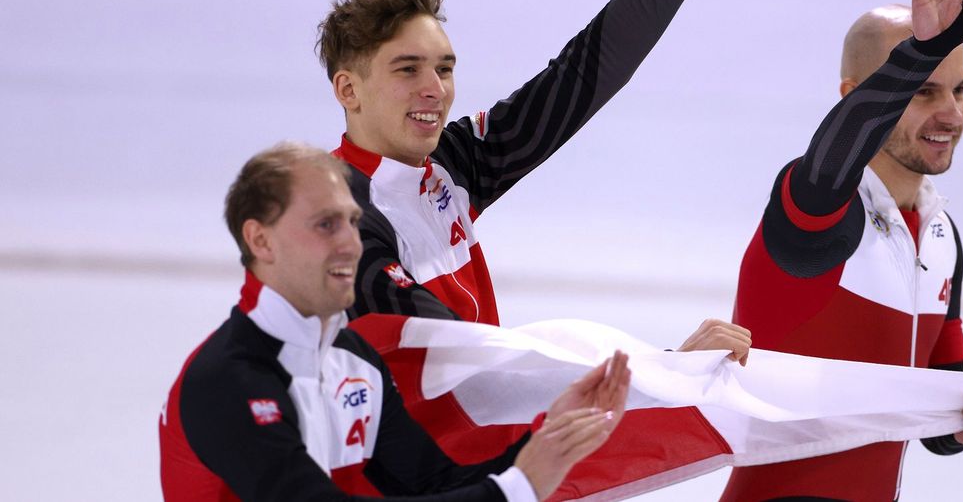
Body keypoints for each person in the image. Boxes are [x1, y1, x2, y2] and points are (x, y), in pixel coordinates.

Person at [313, 0, 749, 364]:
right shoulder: (337, 219)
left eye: (445, 68)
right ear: (348, 89)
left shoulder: (450, 161)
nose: (436, 89)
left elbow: (581, 77)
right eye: (408, 69)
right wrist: (663, 372)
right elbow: (472, 367)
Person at [720, 0, 963, 502]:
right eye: (922, 90)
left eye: (958, 90)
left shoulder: (941, 235)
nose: (951, 115)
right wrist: (922, 49)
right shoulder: (819, 204)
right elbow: (834, 154)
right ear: (853, 96)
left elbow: (939, 417)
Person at [159, 143, 632, 501]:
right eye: (326, 224)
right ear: (260, 241)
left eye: (352, 221)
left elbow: (433, 483)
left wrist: (548, 436)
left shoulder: (353, 358)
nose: (351, 243)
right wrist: (516, 487)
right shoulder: (225, 381)